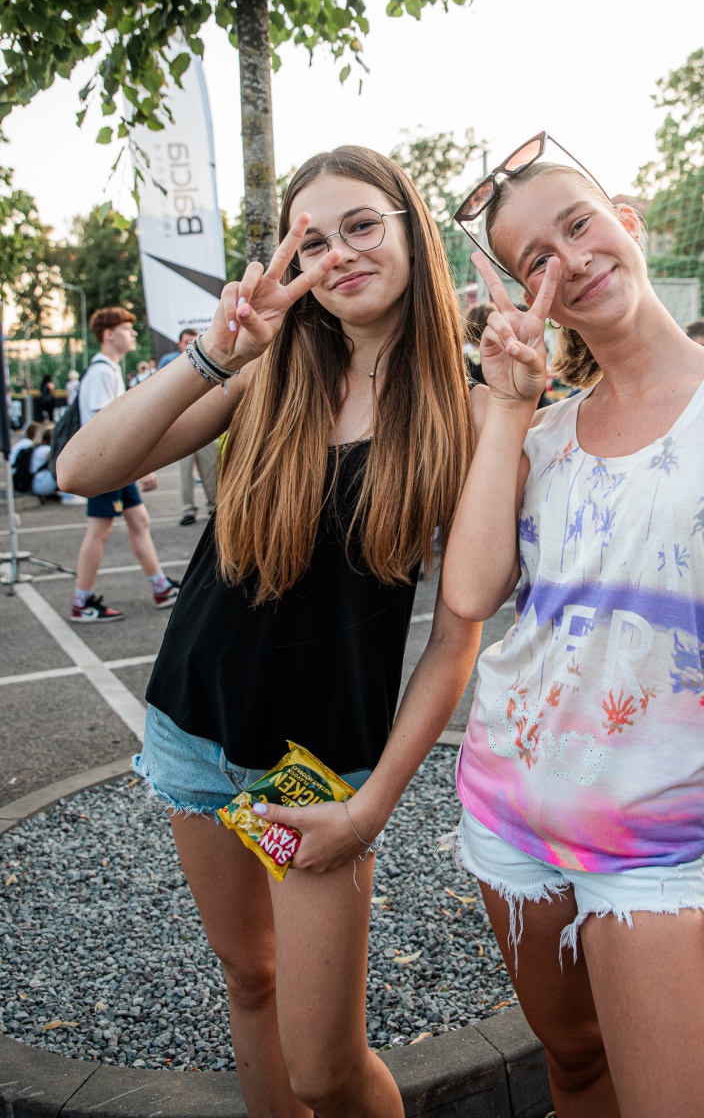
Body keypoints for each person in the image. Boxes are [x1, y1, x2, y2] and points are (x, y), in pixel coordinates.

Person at [58, 147, 484, 1118]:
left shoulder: (463, 411)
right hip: (191, 730)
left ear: (411, 230)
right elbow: (82, 469)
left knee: (327, 1070)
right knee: (249, 980)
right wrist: (217, 352)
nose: (340, 253)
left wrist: (371, 806)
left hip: (314, 769)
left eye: (362, 225)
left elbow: (455, 639)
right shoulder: (267, 372)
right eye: (313, 239)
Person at [441, 143, 704, 1118]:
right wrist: (509, 403)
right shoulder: (539, 431)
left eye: (576, 225)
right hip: (507, 814)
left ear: (624, 217)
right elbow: (474, 590)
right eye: (534, 259)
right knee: (575, 1067)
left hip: (648, 844)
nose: (568, 261)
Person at [67, 307, 180, 623]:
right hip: (105, 466)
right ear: (108, 335)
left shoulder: (109, 369)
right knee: (99, 531)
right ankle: (82, 602)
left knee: (139, 520)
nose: (133, 333)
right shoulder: (102, 372)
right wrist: (141, 465)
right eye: (126, 329)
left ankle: (160, 587)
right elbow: (107, 430)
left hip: (114, 466)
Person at [159, 329, 219, 526]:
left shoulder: (209, 359)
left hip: (204, 421)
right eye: (187, 341)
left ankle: (214, 506)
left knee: (210, 466)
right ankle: (188, 509)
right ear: (179, 344)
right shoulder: (170, 363)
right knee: (185, 469)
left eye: (194, 340)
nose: (190, 344)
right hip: (180, 424)